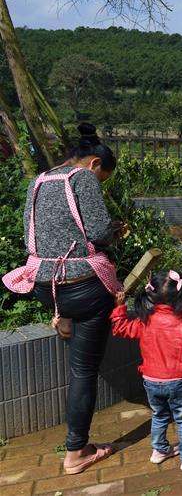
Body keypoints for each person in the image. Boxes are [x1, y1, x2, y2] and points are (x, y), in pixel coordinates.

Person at [3, 123, 125, 475]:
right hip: (83, 286)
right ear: (94, 164)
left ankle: (63, 319)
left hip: (44, 283)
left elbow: (32, 233)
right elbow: (99, 232)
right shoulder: (83, 178)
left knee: (73, 322)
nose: (100, 184)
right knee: (83, 371)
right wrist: (112, 232)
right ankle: (76, 452)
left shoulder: (39, 180)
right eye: (103, 178)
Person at [110, 270, 182, 471]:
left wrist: (119, 307)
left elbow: (120, 328)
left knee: (159, 414)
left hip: (150, 379)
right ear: (181, 297)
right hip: (179, 380)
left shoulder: (145, 321)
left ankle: (159, 450)